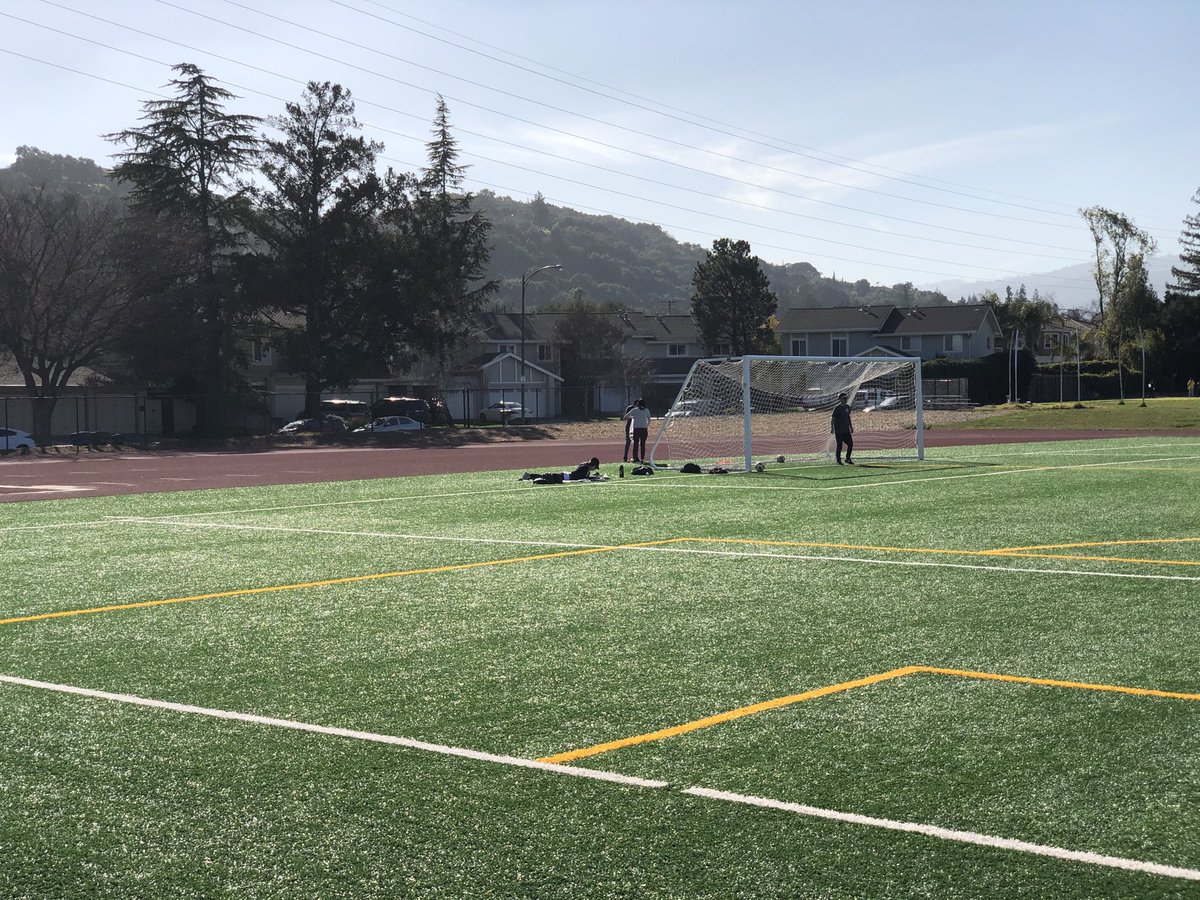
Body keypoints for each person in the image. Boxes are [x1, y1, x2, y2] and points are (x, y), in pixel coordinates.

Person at [521, 457, 602, 484]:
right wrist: (596, 479)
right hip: (565, 477)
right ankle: (529, 476)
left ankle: (529, 476)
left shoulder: (585, 467)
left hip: (565, 476)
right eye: (595, 467)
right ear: (593, 465)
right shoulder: (585, 468)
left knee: (546, 476)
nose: (594, 469)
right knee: (547, 477)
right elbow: (583, 478)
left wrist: (595, 477)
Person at [622, 398, 651, 463]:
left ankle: (635, 458)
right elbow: (649, 420)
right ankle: (642, 459)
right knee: (642, 444)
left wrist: (632, 417)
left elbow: (625, 417)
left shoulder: (635, 410)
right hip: (644, 429)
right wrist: (645, 424)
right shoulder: (646, 410)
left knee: (636, 444)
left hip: (637, 429)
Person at [830, 392, 854, 465]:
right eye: (844, 398)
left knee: (850, 444)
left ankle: (848, 458)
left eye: (846, 398)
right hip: (839, 430)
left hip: (846, 430)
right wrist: (832, 428)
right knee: (839, 445)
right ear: (840, 399)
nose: (845, 399)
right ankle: (838, 460)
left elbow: (848, 417)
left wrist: (851, 426)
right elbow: (833, 419)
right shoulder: (837, 408)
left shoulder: (847, 407)